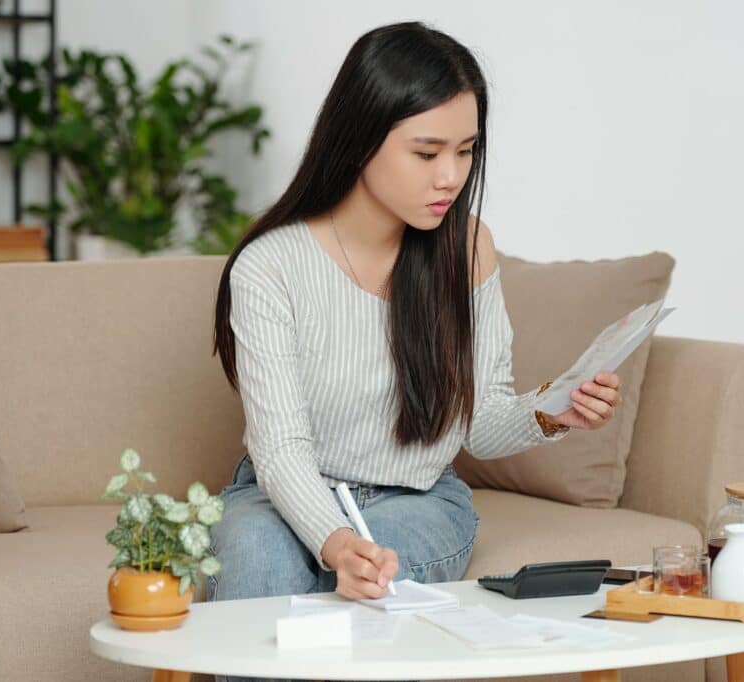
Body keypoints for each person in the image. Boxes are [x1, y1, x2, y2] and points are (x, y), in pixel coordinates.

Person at [208, 20, 622, 682]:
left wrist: (553, 412)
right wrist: (335, 541)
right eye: (427, 153)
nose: (452, 176)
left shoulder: (466, 249)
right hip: (279, 492)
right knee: (257, 555)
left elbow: (479, 424)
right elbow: (281, 449)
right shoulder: (270, 266)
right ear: (362, 137)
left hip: (418, 497)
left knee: (378, 565)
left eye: (466, 151)